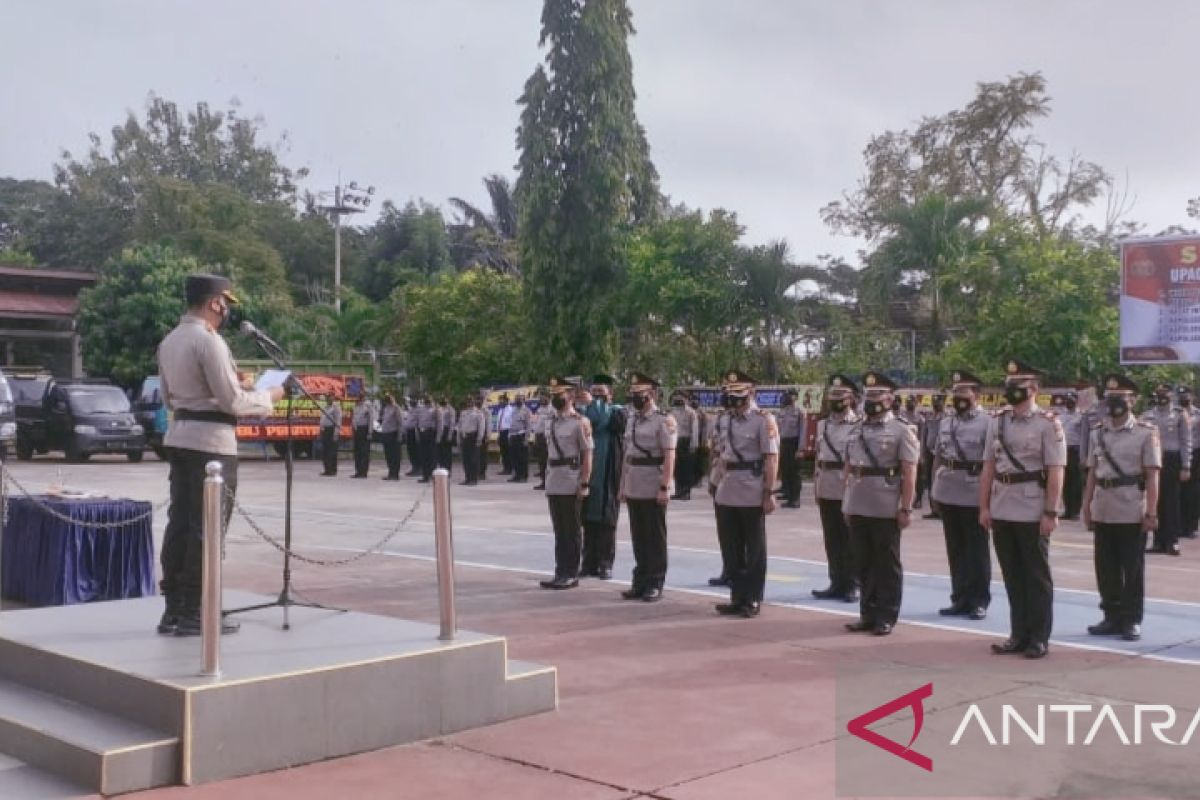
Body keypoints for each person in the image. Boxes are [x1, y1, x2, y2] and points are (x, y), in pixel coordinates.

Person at [157, 273, 284, 636]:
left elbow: (169, 398)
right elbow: (231, 402)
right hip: (211, 444)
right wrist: (268, 397)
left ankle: (175, 608)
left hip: (180, 437)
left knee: (180, 524)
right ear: (215, 302)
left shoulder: (171, 340)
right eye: (225, 303)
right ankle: (198, 612)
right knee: (207, 529)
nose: (227, 310)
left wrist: (234, 383)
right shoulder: (209, 342)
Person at [979, 359, 1066, 659]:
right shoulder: (997, 421)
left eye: (1019, 387)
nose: (1013, 392)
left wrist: (1051, 511)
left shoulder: (1048, 423)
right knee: (1012, 575)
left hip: (1032, 507)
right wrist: (984, 506)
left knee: (1036, 575)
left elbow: (1055, 470)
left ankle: (1039, 637)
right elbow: (989, 467)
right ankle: (1018, 634)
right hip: (1002, 504)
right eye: (1010, 387)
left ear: (1034, 389)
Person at [1083, 374, 1161, 642]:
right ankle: (1111, 615)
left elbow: (1152, 475)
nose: (1114, 403)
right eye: (1110, 397)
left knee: (1133, 569)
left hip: (1131, 508)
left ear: (1132, 400)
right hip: (1103, 506)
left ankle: (1131, 619)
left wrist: (1151, 512)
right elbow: (1092, 472)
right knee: (1105, 567)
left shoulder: (1145, 432)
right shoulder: (1097, 432)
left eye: (1121, 397)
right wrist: (1086, 505)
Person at [841, 371, 919, 636]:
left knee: (886, 563)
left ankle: (886, 615)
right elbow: (848, 469)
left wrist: (906, 507)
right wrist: (846, 503)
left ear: (890, 398)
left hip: (886, 506)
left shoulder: (901, 430)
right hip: (859, 503)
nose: (871, 399)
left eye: (877, 394)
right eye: (868, 394)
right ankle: (867, 613)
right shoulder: (856, 429)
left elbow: (909, 473)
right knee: (863, 562)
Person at [711, 371, 779, 618]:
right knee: (731, 547)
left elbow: (771, 459)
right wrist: (714, 482)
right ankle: (737, 596)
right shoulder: (725, 419)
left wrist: (769, 492)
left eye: (738, 394)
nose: (734, 400)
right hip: (727, 487)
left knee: (754, 549)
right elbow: (720, 453)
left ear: (751, 393)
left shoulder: (763, 420)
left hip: (751, 487)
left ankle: (752, 598)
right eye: (730, 394)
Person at [931, 371, 991, 620]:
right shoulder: (947, 421)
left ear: (976, 395)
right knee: (955, 549)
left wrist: (988, 498)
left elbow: (991, 462)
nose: (958, 397)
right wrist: (933, 488)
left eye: (963, 392)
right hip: (948, 489)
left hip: (973, 489)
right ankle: (959, 597)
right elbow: (938, 456)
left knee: (976, 550)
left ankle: (978, 600)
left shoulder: (988, 422)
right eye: (955, 392)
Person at [618, 373, 677, 602]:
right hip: (634, 481)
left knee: (654, 536)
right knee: (638, 536)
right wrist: (622, 484)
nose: (635, 398)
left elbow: (670, 455)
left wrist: (665, 486)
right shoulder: (632, 419)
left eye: (639, 394)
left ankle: (655, 582)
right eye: (633, 394)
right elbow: (627, 454)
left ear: (651, 394)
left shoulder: (664, 420)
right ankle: (640, 580)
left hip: (653, 481)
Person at [540, 378, 594, 589]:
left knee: (571, 530)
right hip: (554, 479)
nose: (555, 398)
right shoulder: (552, 421)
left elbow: (587, 453)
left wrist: (584, 482)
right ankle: (560, 570)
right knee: (559, 529)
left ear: (571, 396)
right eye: (554, 394)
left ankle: (571, 572)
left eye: (559, 394)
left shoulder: (580, 422)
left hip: (571, 479)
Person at [811, 375, 860, 602]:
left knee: (850, 538)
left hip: (847, 485)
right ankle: (836, 581)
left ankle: (852, 584)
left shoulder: (858, 424)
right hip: (826, 484)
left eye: (840, 396)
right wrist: (815, 486)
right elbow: (818, 459)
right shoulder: (823, 424)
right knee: (832, 537)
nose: (835, 399)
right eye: (832, 395)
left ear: (851, 398)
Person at [580, 375, 626, 579]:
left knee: (607, 521)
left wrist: (593, 403)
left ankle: (605, 564)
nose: (597, 396)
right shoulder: (583, 412)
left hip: (608, 473)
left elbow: (602, 420)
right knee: (587, 520)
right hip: (588, 473)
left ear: (611, 394)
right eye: (594, 392)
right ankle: (588, 562)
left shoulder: (618, 412)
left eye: (602, 393)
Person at [1142, 382, 1191, 556]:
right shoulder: (1147, 415)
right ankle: (1158, 541)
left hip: (1172, 460)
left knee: (1172, 502)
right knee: (1155, 501)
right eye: (1159, 392)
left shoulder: (1179, 414)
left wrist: (1186, 465)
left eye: (1165, 393)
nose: (1162, 396)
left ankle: (1172, 541)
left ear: (1171, 395)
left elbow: (1186, 442)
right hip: (1153, 460)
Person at [706, 395, 734, 587]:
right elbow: (714, 448)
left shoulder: (759, 419)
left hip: (741, 478)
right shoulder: (722, 418)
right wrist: (711, 476)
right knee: (724, 528)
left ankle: (742, 572)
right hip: (720, 475)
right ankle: (728, 569)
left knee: (743, 531)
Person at [1053, 390, 1084, 520]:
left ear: (1076, 401)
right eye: (1067, 400)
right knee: (1065, 481)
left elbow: (1084, 436)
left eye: (1072, 400)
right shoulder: (1060, 415)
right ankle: (1067, 509)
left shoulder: (1082, 416)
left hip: (1076, 451)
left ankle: (1076, 511)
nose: (1069, 402)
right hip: (1063, 450)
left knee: (1076, 483)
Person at [777, 388, 805, 508]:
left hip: (794, 443)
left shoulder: (799, 412)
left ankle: (795, 499)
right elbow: (778, 430)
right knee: (785, 470)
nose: (788, 397)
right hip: (783, 443)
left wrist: (800, 449)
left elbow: (803, 431)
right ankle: (788, 495)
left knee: (795, 472)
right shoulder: (782, 411)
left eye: (790, 395)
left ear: (795, 397)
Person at [669, 390, 697, 501]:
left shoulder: (691, 412)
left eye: (682, 397)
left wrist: (693, 444)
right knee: (677, 468)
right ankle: (678, 491)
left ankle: (686, 492)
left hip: (686, 441)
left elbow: (694, 429)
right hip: (675, 441)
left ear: (686, 399)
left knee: (686, 468)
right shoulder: (672, 412)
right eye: (677, 397)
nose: (679, 399)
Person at [920, 394, 945, 519]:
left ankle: (942, 509)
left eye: (938, 402)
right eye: (934, 402)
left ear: (943, 403)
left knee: (940, 481)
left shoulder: (947, 418)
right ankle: (934, 509)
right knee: (930, 481)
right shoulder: (929, 418)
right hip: (929, 453)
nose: (936, 405)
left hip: (941, 454)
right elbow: (924, 437)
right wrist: (922, 454)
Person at [458, 395, 486, 486]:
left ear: (473, 402)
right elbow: (460, 426)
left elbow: (481, 427)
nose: (469, 403)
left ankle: (473, 479)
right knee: (465, 459)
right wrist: (459, 437)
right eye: (468, 401)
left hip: (473, 436)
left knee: (473, 459)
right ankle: (467, 478)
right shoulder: (463, 412)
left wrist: (479, 439)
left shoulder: (478, 413)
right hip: (465, 437)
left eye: (471, 401)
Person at [351, 393, 375, 479]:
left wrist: (370, 432)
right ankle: (358, 471)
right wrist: (353, 428)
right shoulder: (355, 407)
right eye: (358, 398)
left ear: (363, 398)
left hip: (364, 430)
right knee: (357, 452)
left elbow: (371, 419)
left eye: (360, 398)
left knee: (364, 452)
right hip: (357, 430)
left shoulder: (367, 407)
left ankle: (363, 472)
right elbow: (353, 419)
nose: (358, 399)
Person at [415, 394, 437, 482]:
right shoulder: (421, 409)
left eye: (429, 400)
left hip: (430, 432)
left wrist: (438, 436)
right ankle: (425, 476)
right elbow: (417, 421)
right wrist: (417, 433)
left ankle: (432, 475)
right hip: (422, 432)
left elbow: (439, 423)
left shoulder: (435, 409)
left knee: (431, 455)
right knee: (423, 455)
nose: (427, 401)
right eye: (426, 400)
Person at [532, 392, 553, 490]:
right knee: (541, 461)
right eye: (540, 398)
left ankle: (549, 483)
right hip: (539, 436)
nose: (542, 400)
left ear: (549, 398)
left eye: (544, 398)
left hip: (547, 438)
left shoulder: (552, 410)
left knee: (547, 461)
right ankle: (543, 481)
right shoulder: (539, 409)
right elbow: (536, 423)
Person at [319, 393, 343, 477]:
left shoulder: (336, 408)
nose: (328, 398)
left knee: (332, 451)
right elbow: (322, 419)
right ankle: (327, 469)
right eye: (327, 397)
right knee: (325, 451)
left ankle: (332, 470)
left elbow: (338, 421)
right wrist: (321, 429)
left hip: (332, 430)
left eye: (330, 397)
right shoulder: (325, 407)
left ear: (333, 398)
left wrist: (336, 433)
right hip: (325, 430)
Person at [379, 394, 401, 481]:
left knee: (394, 455)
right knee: (388, 455)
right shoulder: (386, 409)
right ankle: (390, 472)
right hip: (386, 433)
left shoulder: (396, 408)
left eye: (388, 399)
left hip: (393, 433)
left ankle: (395, 474)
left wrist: (399, 435)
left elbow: (400, 422)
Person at [692, 397, 711, 492]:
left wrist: (704, 440)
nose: (694, 402)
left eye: (695, 401)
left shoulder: (702, 414)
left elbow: (705, 428)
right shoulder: (690, 412)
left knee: (699, 461)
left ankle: (698, 481)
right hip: (692, 441)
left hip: (700, 440)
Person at [437, 396, 457, 474]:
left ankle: (448, 469)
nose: (443, 400)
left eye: (445, 399)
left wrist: (450, 435)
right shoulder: (439, 408)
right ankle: (441, 468)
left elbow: (452, 423)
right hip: (439, 431)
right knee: (440, 451)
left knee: (447, 452)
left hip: (446, 430)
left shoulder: (451, 410)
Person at [496, 394, 514, 475]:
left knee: (508, 451)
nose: (500, 402)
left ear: (506, 401)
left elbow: (511, 423)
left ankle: (509, 469)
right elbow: (499, 423)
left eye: (501, 400)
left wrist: (510, 434)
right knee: (503, 451)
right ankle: (505, 468)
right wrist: (498, 434)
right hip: (501, 432)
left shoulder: (511, 410)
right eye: (499, 400)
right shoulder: (500, 410)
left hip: (508, 432)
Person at [402, 397, 420, 476]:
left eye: (413, 401)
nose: (411, 403)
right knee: (410, 451)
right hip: (408, 432)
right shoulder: (410, 410)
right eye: (410, 402)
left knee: (416, 451)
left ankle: (418, 468)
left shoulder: (418, 411)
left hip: (415, 432)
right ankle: (414, 467)